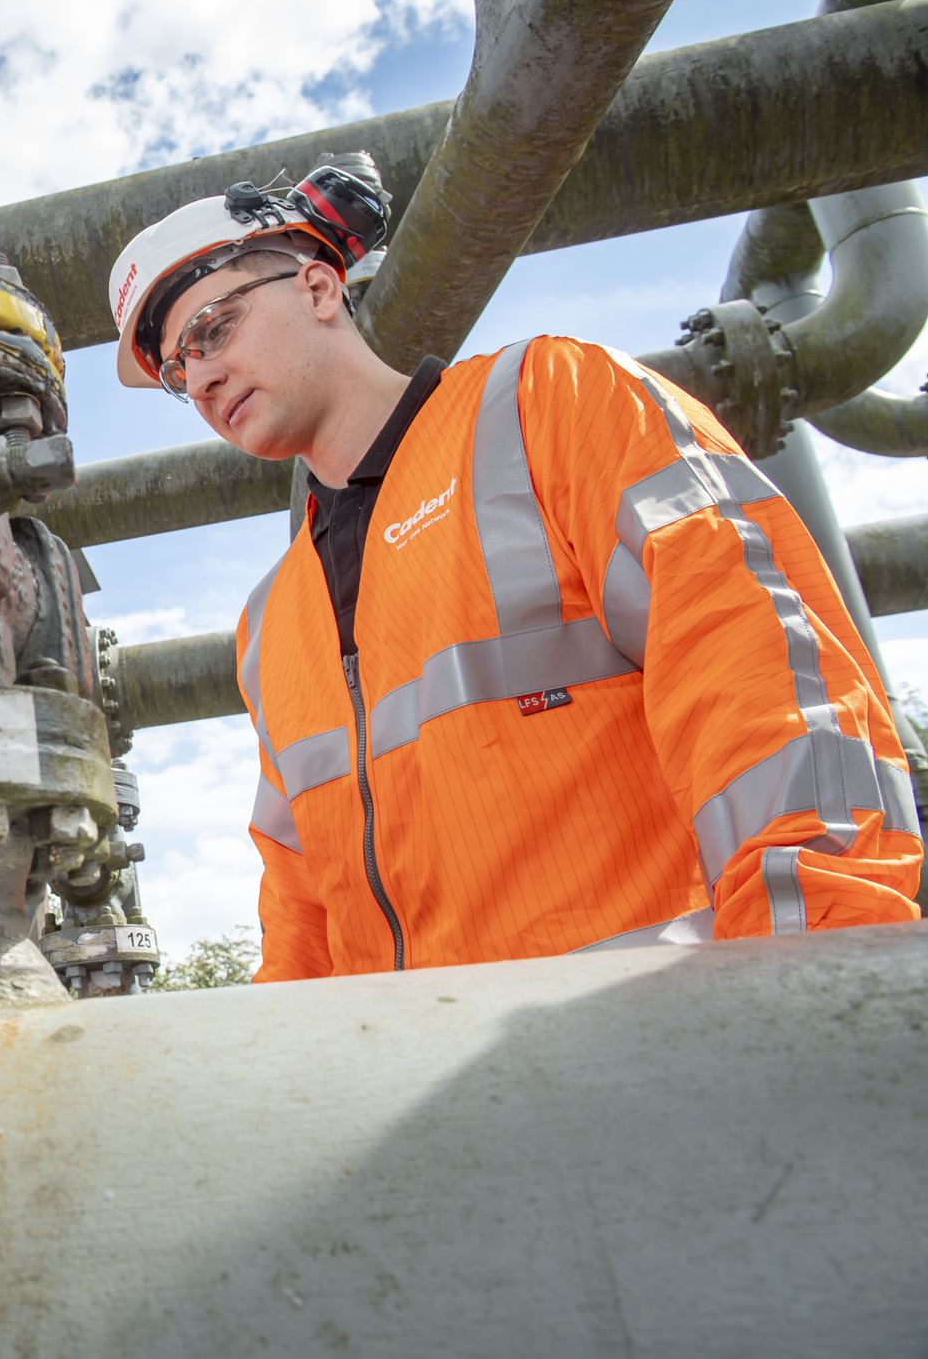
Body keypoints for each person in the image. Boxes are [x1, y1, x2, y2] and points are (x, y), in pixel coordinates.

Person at [106, 160, 922, 981]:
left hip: (670, 1049)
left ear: (319, 289)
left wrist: (820, 970)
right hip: (427, 1092)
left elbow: (761, 681)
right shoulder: (270, 622)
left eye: (212, 327)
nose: (200, 377)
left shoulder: (552, 403)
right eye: (177, 370)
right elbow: (299, 902)